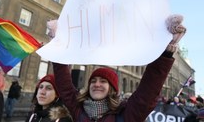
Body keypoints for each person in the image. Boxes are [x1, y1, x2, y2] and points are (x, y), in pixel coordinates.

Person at [52, 15, 186, 121]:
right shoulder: (78, 109)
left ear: (112, 88)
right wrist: (57, 44)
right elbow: (64, 85)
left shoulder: (127, 114)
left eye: (103, 81)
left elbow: (148, 91)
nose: (97, 84)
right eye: (93, 81)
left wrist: (166, 53)